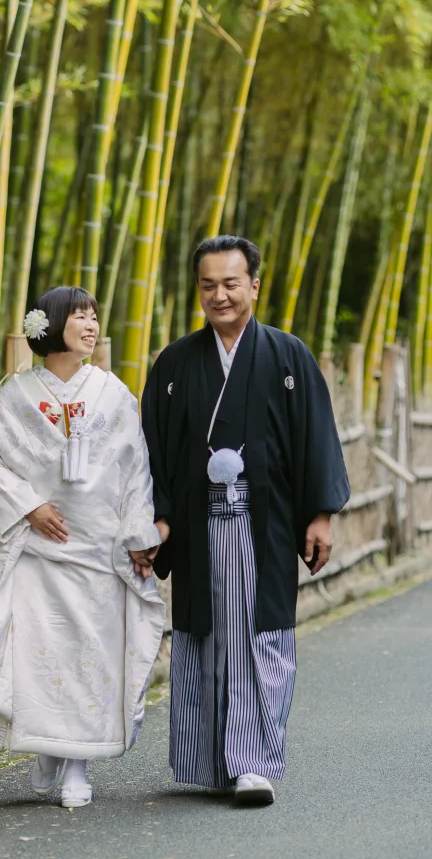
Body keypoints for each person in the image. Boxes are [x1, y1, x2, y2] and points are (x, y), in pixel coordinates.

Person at [139, 235, 350, 806]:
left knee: (262, 636)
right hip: (197, 527)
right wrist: (158, 520)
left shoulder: (288, 356)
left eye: (231, 283)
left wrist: (320, 514)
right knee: (205, 638)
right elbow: (152, 452)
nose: (220, 295)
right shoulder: (175, 363)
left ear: (254, 285)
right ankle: (210, 762)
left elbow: (315, 439)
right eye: (208, 285)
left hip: (267, 524)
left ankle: (253, 764)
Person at [0, 286, 165, 808]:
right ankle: (47, 748)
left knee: (89, 657)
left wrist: (138, 535)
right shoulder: (14, 397)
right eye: (79, 315)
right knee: (42, 654)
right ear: (51, 324)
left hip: (98, 549)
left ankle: (78, 763)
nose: (91, 324)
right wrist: (29, 506)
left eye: (94, 315)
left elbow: (136, 470)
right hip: (38, 549)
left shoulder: (113, 394)